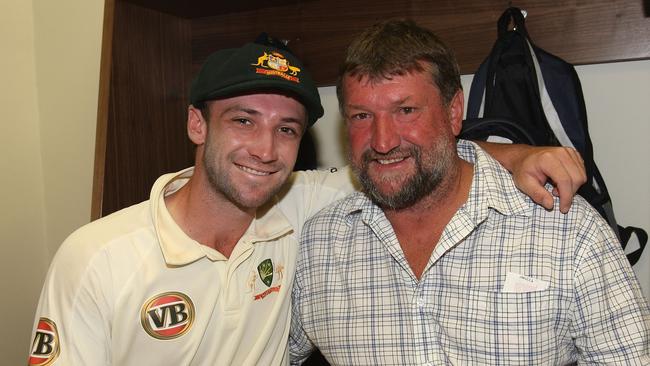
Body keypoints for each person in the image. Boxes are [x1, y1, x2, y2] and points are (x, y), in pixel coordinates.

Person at [28, 40, 584, 366]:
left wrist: (515, 155)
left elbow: (408, 156)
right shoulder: (99, 257)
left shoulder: (300, 211)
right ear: (197, 123)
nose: (266, 151)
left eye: (287, 130)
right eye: (243, 121)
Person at [290, 19, 650, 365]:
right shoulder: (319, 243)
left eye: (406, 110)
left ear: (453, 113)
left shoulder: (567, 230)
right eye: (361, 116)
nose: (383, 141)